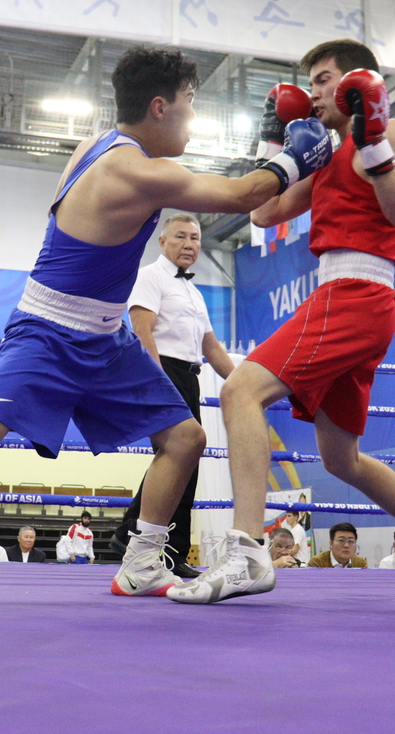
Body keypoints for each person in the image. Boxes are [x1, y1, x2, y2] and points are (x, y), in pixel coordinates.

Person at [0, 46, 320, 596]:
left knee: (186, 439)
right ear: (158, 107)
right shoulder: (132, 168)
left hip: (106, 337)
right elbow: (245, 195)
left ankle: (143, 562)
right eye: (190, 104)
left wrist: (278, 146)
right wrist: (294, 154)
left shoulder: (98, 147)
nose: (193, 120)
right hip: (49, 328)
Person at [170, 40, 395, 603]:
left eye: (325, 79)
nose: (313, 92)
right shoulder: (327, 154)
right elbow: (263, 212)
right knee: (341, 458)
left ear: (360, 82)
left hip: (356, 291)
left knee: (240, 390)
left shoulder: (390, 135)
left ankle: (248, 555)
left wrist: (376, 141)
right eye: (309, 82)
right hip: (347, 295)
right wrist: (272, 139)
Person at [110, 213, 238, 578]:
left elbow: (211, 347)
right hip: (162, 369)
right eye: (181, 236)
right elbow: (141, 328)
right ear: (163, 241)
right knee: (179, 458)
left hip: (189, 374)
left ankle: (143, 539)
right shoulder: (151, 276)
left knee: (182, 460)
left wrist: (247, 384)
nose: (189, 244)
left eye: (195, 238)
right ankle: (156, 545)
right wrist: (157, 380)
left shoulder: (194, 292)